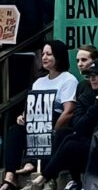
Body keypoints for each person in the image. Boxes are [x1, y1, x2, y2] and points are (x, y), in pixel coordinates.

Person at [21, 59, 98, 190]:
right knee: (65, 136)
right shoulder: (87, 97)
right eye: (90, 75)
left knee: (70, 142)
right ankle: (62, 179)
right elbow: (79, 128)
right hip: (92, 143)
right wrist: (96, 106)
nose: (92, 78)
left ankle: (46, 176)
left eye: (96, 75)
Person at [2, 40, 78, 189]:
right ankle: (10, 176)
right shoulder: (39, 82)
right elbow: (33, 106)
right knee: (15, 130)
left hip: (55, 122)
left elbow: (68, 111)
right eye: (43, 54)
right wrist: (23, 116)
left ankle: (33, 164)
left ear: (59, 57)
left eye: (49, 54)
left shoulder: (68, 80)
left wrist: (53, 130)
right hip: (36, 122)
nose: (44, 57)